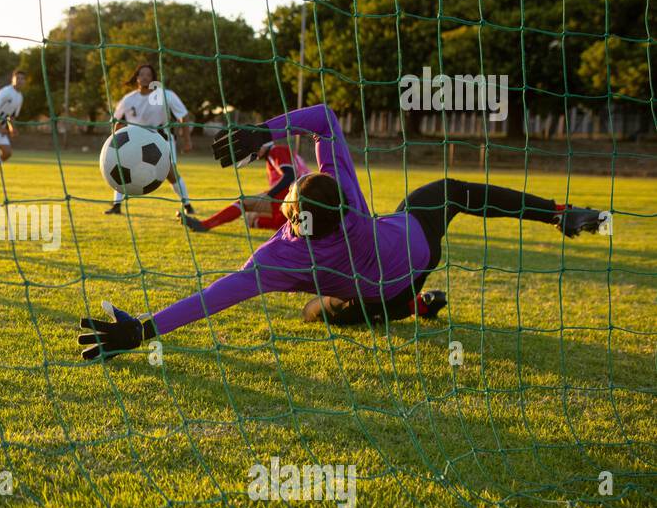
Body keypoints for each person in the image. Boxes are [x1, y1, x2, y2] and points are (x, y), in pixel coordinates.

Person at [78, 103, 605, 358]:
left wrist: (144, 330)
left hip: (385, 297)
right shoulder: (348, 200)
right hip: (420, 243)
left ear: (290, 213)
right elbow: (326, 119)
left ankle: (412, 307)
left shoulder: (279, 258)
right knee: (452, 191)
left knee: (317, 313)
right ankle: (557, 214)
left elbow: (214, 297)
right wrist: (266, 131)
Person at [105, 63, 193, 215]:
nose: (145, 77)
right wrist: (116, 145)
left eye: (149, 75)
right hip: (133, 142)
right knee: (120, 167)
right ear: (137, 78)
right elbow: (117, 122)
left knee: (170, 174)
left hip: (161, 139)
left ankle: (187, 204)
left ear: (153, 79)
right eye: (142, 74)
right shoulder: (128, 99)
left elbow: (183, 116)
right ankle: (116, 205)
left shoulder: (165, 95)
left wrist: (187, 140)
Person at [179, 139, 310, 232]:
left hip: (292, 195)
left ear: (264, 144)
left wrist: (269, 195)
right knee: (255, 217)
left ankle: (205, 225)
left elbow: (290, 174)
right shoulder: (281, 152)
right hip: (301, 197)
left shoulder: (276, 151)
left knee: (244, 203)